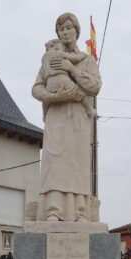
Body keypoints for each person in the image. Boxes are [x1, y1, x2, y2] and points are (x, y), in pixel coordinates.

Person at [32, 12, 102, 222]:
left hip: (78, 118)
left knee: (77, 165)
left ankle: (80, 212)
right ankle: (53, 211)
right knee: (54, 163)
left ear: (77, 31)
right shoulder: (50, 58)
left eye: (69, 28)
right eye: (61, 29)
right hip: (56, 116)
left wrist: (71, 68)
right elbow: (36, 88)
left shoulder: (87, 60)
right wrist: (54, 97)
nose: (65, 32)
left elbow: (95, 86)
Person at [40, 38, 95, 119]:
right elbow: (75, 58)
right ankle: (89, 109)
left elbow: (43, 73)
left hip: (50, 82)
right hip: (62, 79)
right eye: (61, 48)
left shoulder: (44, 58)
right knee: (78, 93)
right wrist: (83, 55)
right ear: (56, 48)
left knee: (45, 101)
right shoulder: (58, 53)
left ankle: (45, 115)